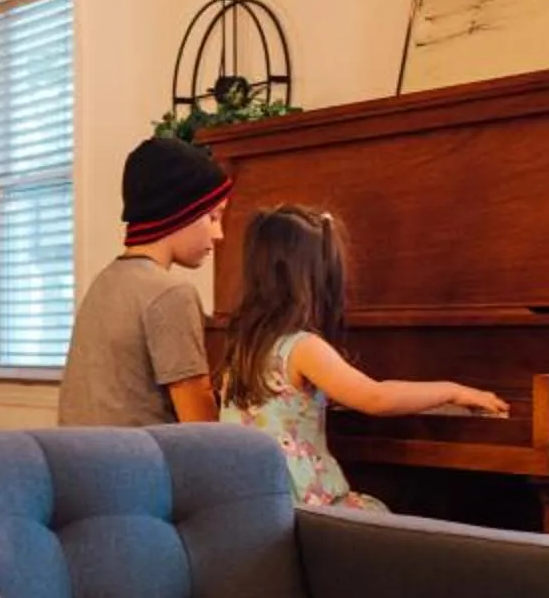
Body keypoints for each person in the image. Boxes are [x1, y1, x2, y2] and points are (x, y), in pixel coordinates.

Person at [215, 204, 509, 509]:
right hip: (303, 509)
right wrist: (453, 390)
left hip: (252, 502)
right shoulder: (303, 347)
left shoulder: (246, 346)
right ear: (315, 281)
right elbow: (376, 397)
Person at [58, 136, 231, 426]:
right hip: (136, 464)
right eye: (213, 217)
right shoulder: (171, 292)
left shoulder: (104, 282)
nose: (219, 234)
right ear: (180, 213)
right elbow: (200, 430)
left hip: (81, 462)